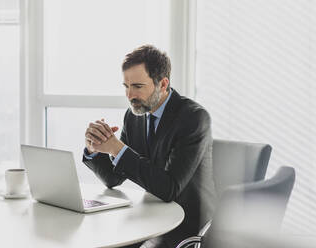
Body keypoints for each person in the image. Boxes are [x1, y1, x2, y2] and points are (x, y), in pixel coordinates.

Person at [82, 45, 216, 248]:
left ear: (163, 84)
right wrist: (95, 149)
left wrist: (117, 149)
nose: (129, 95)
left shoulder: (194, 118)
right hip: (151, 214)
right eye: (125, 86)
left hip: (187, 224)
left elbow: (170, 189)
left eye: (137, 86)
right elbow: (113, 178)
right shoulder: (134, 115)